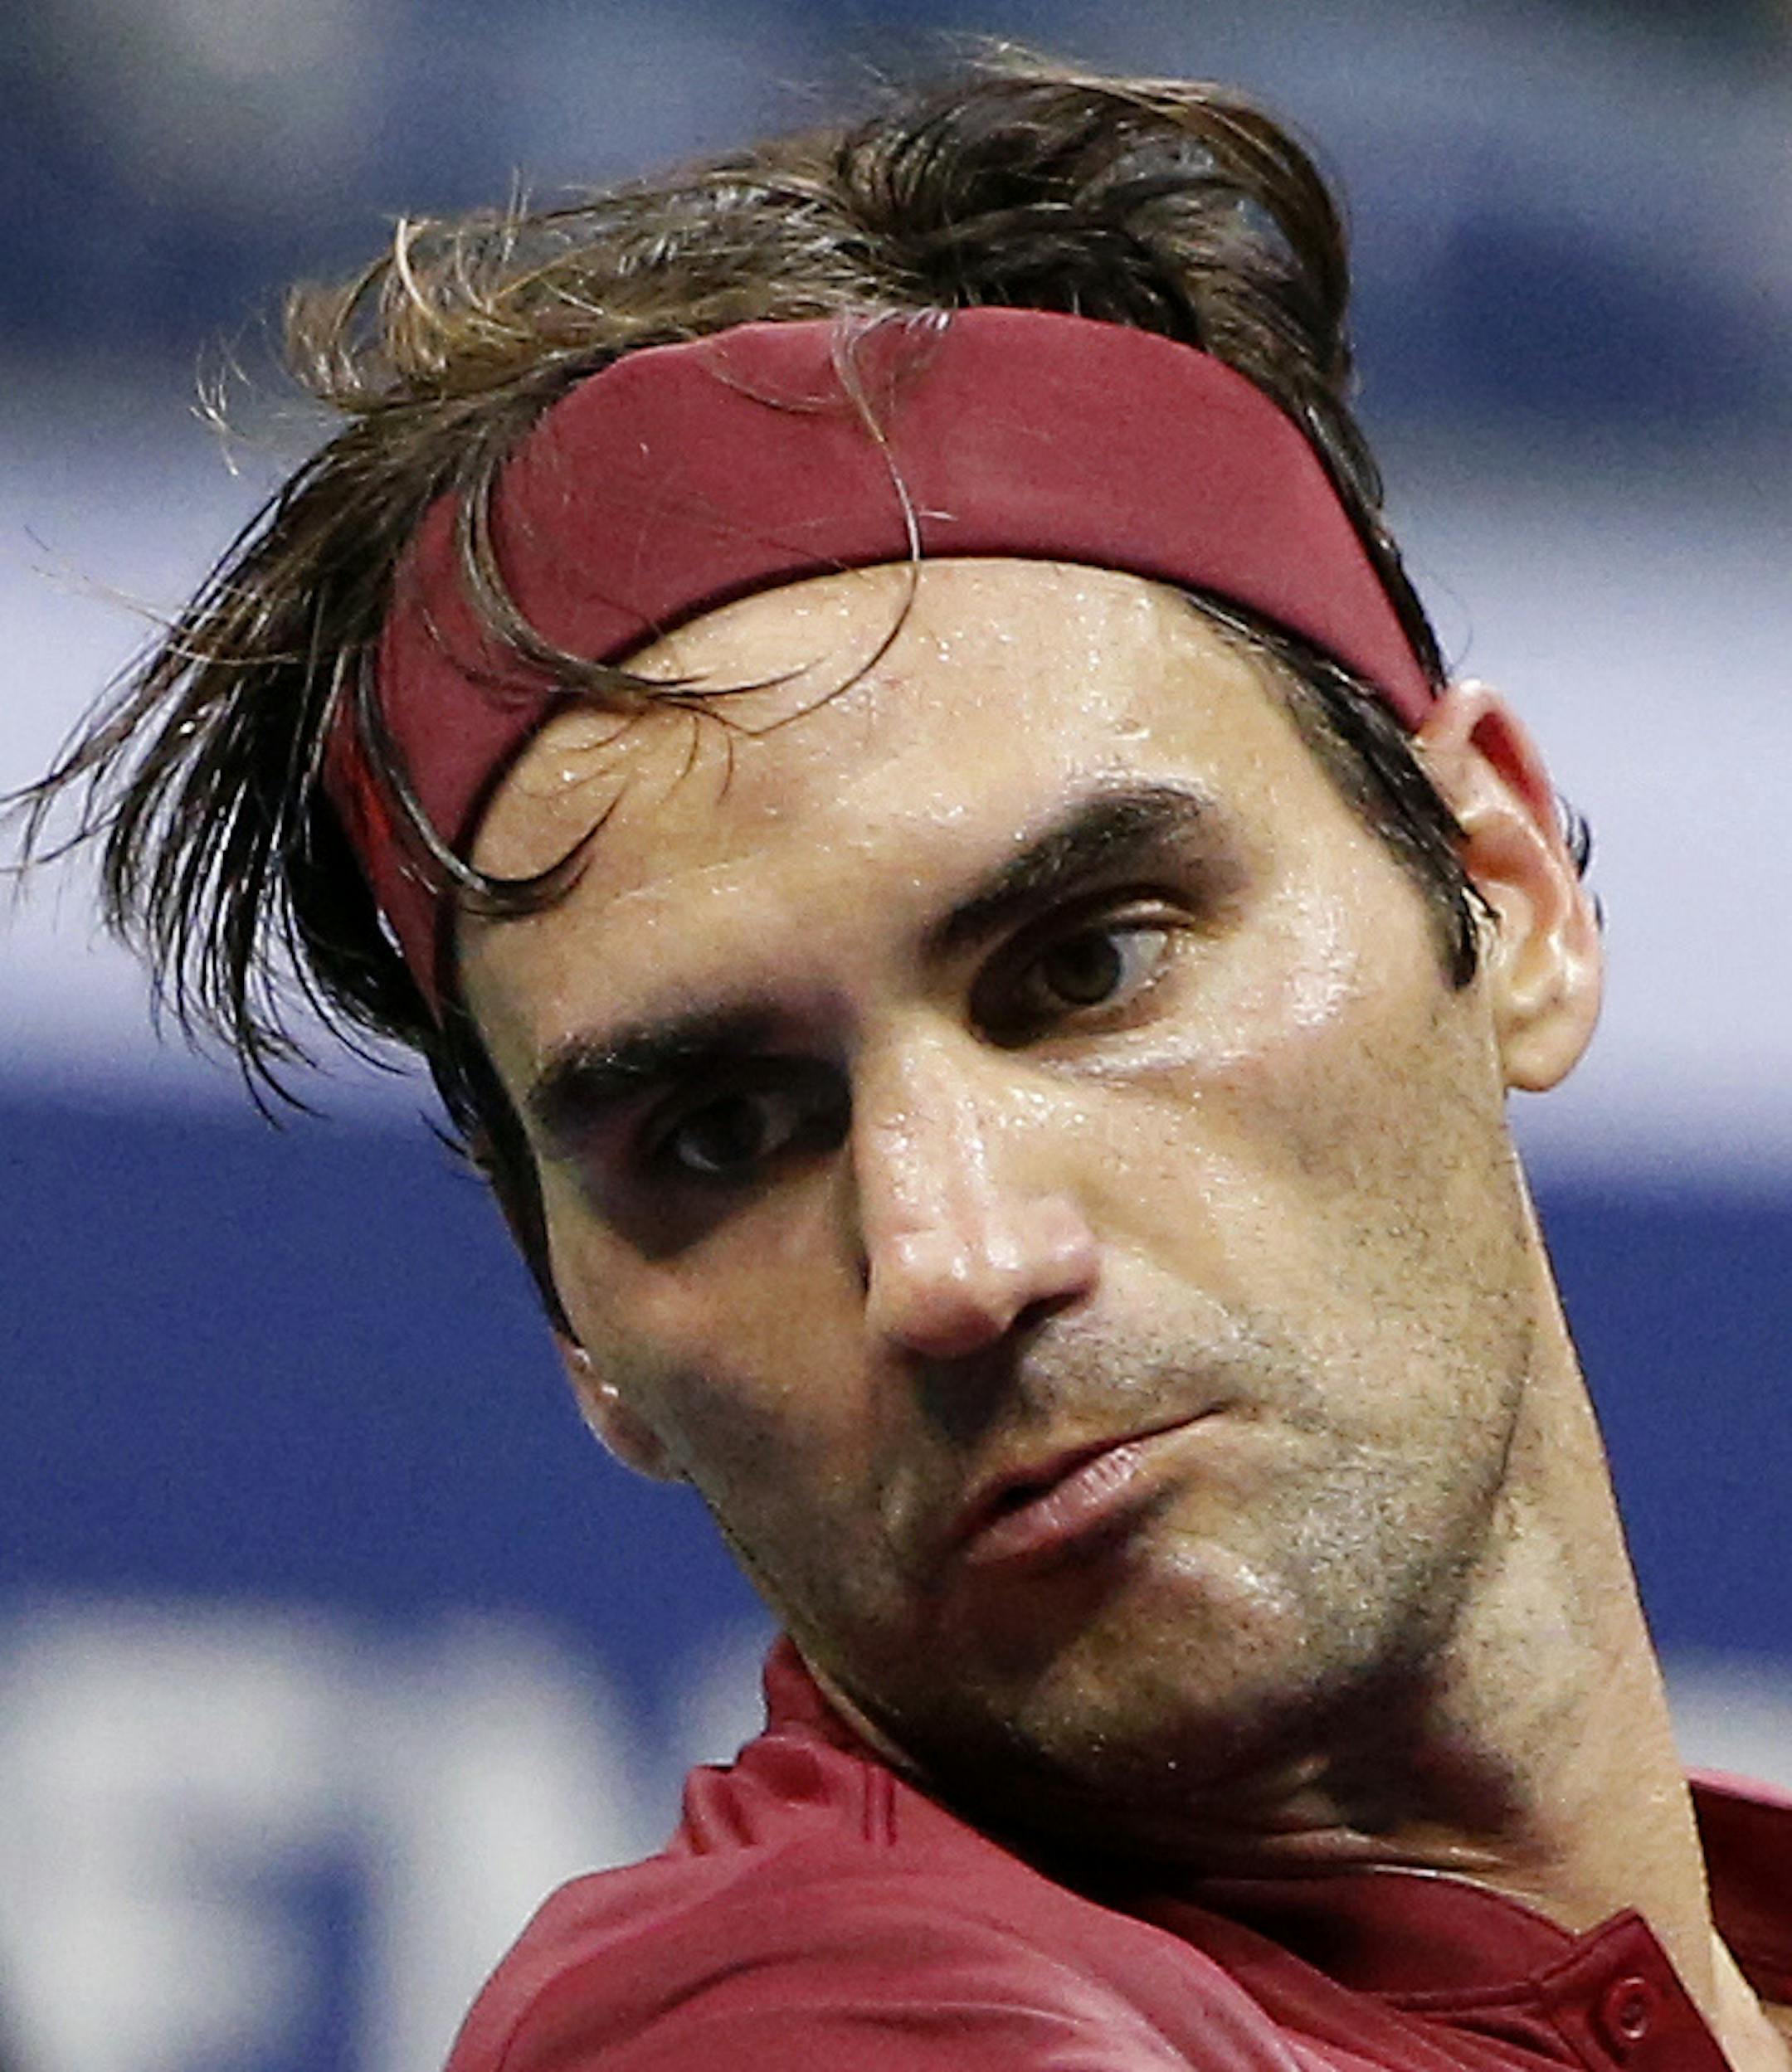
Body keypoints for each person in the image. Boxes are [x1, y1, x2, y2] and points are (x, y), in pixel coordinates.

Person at [14, 51, 1790, 2072]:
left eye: (1090, 964)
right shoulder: (788, 2022)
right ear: (582, 1331)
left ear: (1505, 896)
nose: (950, 1260)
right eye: (722, 1133)